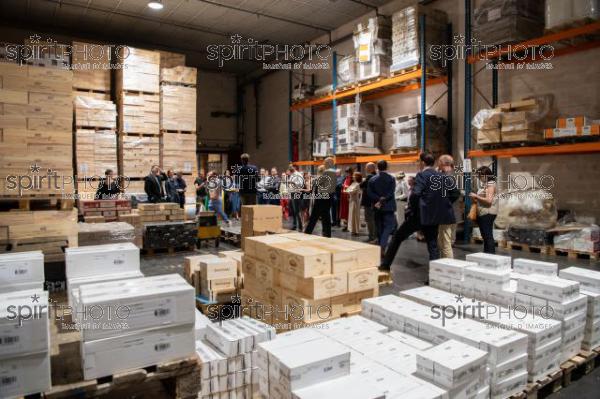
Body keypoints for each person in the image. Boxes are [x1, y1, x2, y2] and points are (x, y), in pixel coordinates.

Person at [379, 153, 446, 270]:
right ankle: (435, 274)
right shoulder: (440, 176)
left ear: (423, 163)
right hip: (433, 216)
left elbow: (415, 194)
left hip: (418, 215)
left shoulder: (421, 175)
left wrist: (412, 209)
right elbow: (453, 194)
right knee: (432, 245)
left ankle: (385, 265)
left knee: (397, 237)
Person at [367, 160, 396, 256]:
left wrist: (378, 199)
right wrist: (384, 198)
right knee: (388, 227)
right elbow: (391, 193)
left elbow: (369, 193)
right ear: (386, 167)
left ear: (377, 167)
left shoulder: (372, 179)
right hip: (388, 206)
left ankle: (380, 246)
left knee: (379, 228)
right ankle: (382, 247)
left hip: (377, 207)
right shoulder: (391, 179)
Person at [470, 166, 499, 254]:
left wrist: (476, 196)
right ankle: (487, 255)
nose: (479, 178)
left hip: (487, 213)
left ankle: (490, 256)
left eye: (480, 176)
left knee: (487, 236)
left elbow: (489, 201)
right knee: (486, 236)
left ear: (485, 175)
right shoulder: (486, 184)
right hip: (484, 212)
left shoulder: (490, 184)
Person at [304, 157, 336, 237]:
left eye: (325, 162)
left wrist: (314, 179)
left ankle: (307, 232)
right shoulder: (334, 172)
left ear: (329, 163)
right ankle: (327, 234)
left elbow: (316, 182)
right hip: (329, 196)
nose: (324, 164)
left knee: (314, 215)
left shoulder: (327, 172)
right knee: (326, 216)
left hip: (322, 196)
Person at [437, 155, 461, 258]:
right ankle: (445, 264)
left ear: (442, 163)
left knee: (445, 243)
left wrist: (445, 203)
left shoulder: (448, 175)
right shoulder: (454, 174)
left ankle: (448, 266)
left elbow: (455, 193)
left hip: (447, 212)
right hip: (453, 211)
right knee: (446, 241)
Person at [360, 162, 378, 243]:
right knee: (372, 220)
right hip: (373, 201)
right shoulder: (376, 176)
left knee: (370, 220)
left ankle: (372, 237)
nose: (365, 169)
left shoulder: (370, 177)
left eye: (367, 168)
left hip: (369, 202)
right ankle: (373, 236)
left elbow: (361, 185)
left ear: (371, 168)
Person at [287, 165, 304, 231]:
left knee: (297, 211)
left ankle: (300, 226)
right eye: (289, 167)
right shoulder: (291, 175)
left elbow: (300, 184)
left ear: (295, 167)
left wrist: (292, 182)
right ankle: (294, 225)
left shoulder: (298, 174)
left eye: (291, 167)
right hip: (291, 194)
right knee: (293, 211)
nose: (290, 168)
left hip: (296, 193)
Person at [339, 167, 353, 231]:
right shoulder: (345, 178)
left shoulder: (352, 179)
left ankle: (348, 225)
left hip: (348, 197)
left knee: (348, 212)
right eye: (346, 172)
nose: (347, 173)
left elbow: (352, 188)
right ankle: (345, 225)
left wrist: (345, 186)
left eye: (348, 172)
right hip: (344, 196)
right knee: (344, 212)